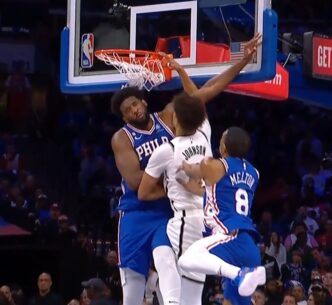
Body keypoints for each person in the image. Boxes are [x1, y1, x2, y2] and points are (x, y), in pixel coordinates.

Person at [111, 32, 262, 305]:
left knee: (169, 257)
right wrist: (177, 185)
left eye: (135, 103)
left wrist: (241, 62)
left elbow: (207, 91)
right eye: (127, 109)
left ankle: (168, 297)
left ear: (144, 102)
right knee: (135, 284)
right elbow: (137, 185)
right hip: (139, 209)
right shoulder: (124, 138)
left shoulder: (169, 125)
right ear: (124, 117)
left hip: (174, 212)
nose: (133, 109)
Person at [177, 127, 266, 305]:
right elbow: (214, 194)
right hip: (248, 244)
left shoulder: (215, 165)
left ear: (223, 147)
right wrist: (186, 185)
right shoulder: (254, 173)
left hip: (229, 235)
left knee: (186, 260)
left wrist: (183, 166)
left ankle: (239, 274)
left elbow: (195, 171)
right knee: (231, 302)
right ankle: (241, 274)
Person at [138, 93, 211, 305]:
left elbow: (143, 193)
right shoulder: (204, 135)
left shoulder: (166, 151)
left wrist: (167, 189)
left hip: (186, 219)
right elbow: (199, 99)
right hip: (206, 217)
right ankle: (169, 300)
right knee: (161, 252)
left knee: (189, 286)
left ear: (175, 119)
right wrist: (181, 73)